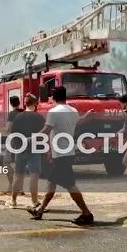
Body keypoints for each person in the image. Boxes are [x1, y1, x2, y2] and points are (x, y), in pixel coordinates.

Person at [27, 86, 94, 225]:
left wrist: (29, 139)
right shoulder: (72, 110)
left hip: (61, 154)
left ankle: (87, 213)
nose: (50, 99)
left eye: (50, 97)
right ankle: (39, 211)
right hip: (67, 152)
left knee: (71, 185)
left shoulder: (54, 112)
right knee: (51, 182)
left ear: (54, 97)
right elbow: (78, 122)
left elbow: (46, 130)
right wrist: (86, 116)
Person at [6, 94, 45, 208]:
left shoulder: (18, 117)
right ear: (35, 104)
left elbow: (13, 134)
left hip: (20, 149)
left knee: (18, 175)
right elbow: (43, 135)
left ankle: (13, 201)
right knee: (34, 175)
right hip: (34, 150)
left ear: (25, 104)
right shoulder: (39, 117)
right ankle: (34, 201)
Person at [4, 96, 25, 194]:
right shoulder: (24, 112)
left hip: (13, 140)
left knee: (6, 162)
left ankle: (12, 185)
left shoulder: (12, 114)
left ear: (10, 103)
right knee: (20, 164)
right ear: (19, 102)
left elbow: (8, 128)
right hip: (24, 140)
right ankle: (20, 188)